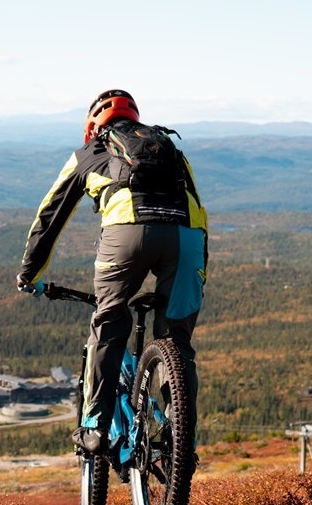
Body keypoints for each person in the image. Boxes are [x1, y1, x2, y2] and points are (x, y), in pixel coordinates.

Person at [15, 89, 208, 454]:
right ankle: (181, 442)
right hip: (187, 240)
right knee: (177, 342)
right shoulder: (169, 150)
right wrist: (200, 273)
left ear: (92, 128)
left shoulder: (88, 153)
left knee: (108, 322)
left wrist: (30, 273)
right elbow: (199, 209)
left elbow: (50, 216)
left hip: (127, 235)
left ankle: (94, 428)